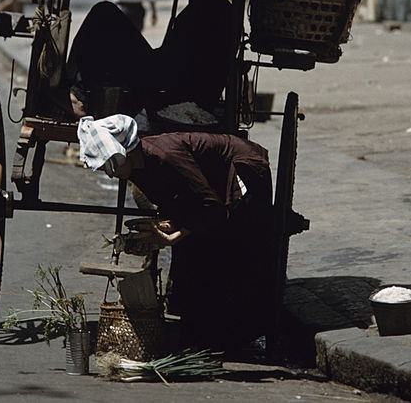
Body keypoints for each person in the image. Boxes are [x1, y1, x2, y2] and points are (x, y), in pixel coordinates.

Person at [77, 114, 273, 351]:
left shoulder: (165, 156)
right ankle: (200, 334)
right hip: (210, 189)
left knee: (220, 246)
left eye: (111, 165)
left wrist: (175, 236)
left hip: (243, 172)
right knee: (195, 247)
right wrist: (165, 228)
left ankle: (229, 333)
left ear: (126, 152)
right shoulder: (138, 170)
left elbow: (211, 206)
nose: (110, 173)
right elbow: (180, 205)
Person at [68, 0, 235, 111]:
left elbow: (179, 70)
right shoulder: (205, 6)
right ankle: (77, 87)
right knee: (105, 19)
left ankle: (69, 86)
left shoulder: (210, 11)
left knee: (104, 12)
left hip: (166, 85)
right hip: (163, 73)